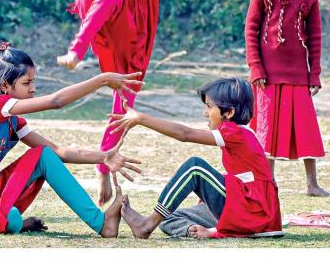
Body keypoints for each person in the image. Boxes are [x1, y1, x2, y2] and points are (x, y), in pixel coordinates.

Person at [53, 0, 216, 205]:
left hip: (138, 27)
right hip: (105, 9)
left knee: (123, 106)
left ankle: (103, 170)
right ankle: (76, 50)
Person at [0, 43, 143, 235]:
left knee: (44, 155)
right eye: (26, 83)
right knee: (13, 219)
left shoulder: (13, 121)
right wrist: (102, 80)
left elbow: (58, 152)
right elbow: (56, 101)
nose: (33, 88)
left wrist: (104, 156)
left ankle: (101, 222)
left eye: (33, 81)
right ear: (5, 86)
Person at [107, 77, 283, 239]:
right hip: (246, 208)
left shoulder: (235, 132)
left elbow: (184, 134)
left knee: (195, 167)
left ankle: (147, 224)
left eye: (209, 106)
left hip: (252, 210)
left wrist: (141, 118)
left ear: (228, 113)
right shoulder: (240, 134)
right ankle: (195, 230)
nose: (205, 113)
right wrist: (212, 232)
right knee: (170, 216)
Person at [244, 0, 330, 196]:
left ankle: (312, 184)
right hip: (267, 73)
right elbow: (251, 29)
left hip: (298, 73)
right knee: (266, 129)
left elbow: (315, 37)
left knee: (306, 129)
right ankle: (268, 181)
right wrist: (255, 67)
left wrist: (314, 74)